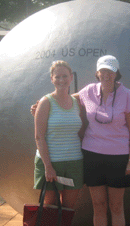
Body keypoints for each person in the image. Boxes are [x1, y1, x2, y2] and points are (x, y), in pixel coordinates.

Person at [32, 55, 130, 225]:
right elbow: (65, 97)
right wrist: (42, 106)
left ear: (116, 72)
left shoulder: (127, 95)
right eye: (102, 71)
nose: (106, 75)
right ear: (97, 73)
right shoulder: (89, 91)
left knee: (116, 206)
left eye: (110, 71)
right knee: (98, 205)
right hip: (92, 156)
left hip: (118, 157)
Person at [34, 60, 85, 209]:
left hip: (74, 162)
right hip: (51, 162)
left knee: (68, 209)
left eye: (65, 76)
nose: (61, 80)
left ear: (71, 77)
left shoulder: (76, 103)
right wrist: (48, 166)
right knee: (50, 208)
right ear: (52, 79)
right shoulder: (45, 102)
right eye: (57, 77)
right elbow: (39, 137)